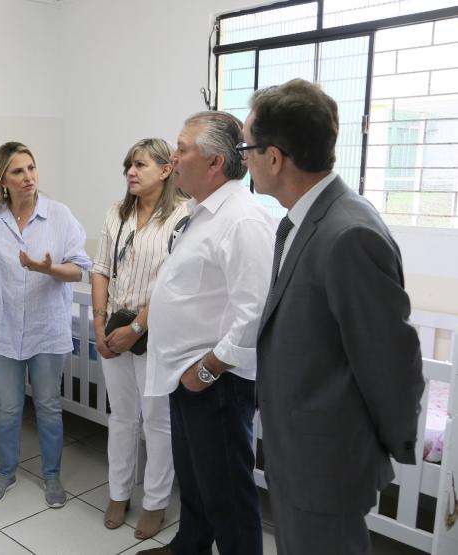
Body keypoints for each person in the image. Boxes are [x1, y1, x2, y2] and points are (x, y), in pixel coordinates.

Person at [244, 79, 424, 555]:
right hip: (298, 452)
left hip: (327, 462)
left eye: (249, 147)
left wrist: (385, 445)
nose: (245, 158)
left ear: (275, 158)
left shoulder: (347, 234)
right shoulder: (302, 221)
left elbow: (390, 362)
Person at [138, 112, 274, 555]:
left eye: (182, 149)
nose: (173, 159)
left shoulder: (244, 220)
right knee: (194, 479)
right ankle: (189, 547)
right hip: (187, 374)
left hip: (216, 381)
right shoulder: (200, 212)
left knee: (228, 491)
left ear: (215, 162)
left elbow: (252, 312)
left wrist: (209, 370)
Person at [0, 141, 91, 508]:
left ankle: (52, 477)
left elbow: (80, 268)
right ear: (2, 180)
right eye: (17, 171)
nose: (28, 177)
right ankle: (6, 472)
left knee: (48, 405)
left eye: (31, 168)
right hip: (1, 327)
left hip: (46, 327)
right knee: (9, 407)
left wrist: (48, 268)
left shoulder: (59, 215)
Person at [91, 138, 186, 538]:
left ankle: (156, 502)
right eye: (129, 165)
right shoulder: (117, 213)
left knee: (158, 422)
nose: (131, 171)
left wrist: (136, 328)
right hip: (114, 327)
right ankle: (118, 493)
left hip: (157, 333)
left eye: (141, 165)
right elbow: (99, 268)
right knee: (122, 417)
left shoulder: (182, 216)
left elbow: (173, 284)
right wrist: (100, 323)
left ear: (165, 170)